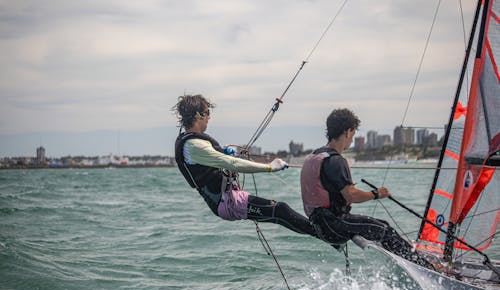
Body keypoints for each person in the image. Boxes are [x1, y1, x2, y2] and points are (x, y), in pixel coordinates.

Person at [300, 108, 434, 269]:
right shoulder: (335, 160)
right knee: (384, 230)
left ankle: (410, 264)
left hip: (321, 224)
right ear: (348, 131)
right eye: (353, 134)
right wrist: (376, 194)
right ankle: (425, 268)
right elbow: (351, 195)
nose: (352, 139)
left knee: (379, 226)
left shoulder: (316, 155)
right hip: (333, 224)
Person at [173, 94, 316, 236]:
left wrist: (224, 151)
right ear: (198, 116)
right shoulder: (194, 146)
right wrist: (270, 167)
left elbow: (214, 157)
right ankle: (329, 237)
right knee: (280, 210)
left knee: (279, 213)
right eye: (207, 113)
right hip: (227, 203)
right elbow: (232, 163)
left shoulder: (192, 142)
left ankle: (327, 237)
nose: (209, 117)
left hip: (230, 197)